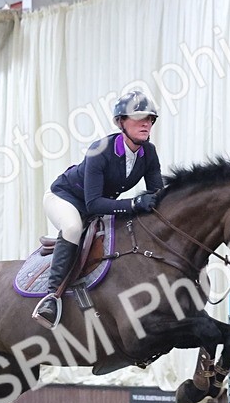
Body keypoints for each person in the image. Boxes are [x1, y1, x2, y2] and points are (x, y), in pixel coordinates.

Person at [33, 90, 164, 328]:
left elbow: (157, 194)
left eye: (150, 119)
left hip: (97, 206)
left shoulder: (149, 153)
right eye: (138, 118)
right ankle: (51, 297)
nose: (146, 123)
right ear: (120, 122)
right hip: (65, 198)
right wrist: (134, 203)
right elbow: (93, 203)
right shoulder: (100, 150)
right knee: (72, 228)